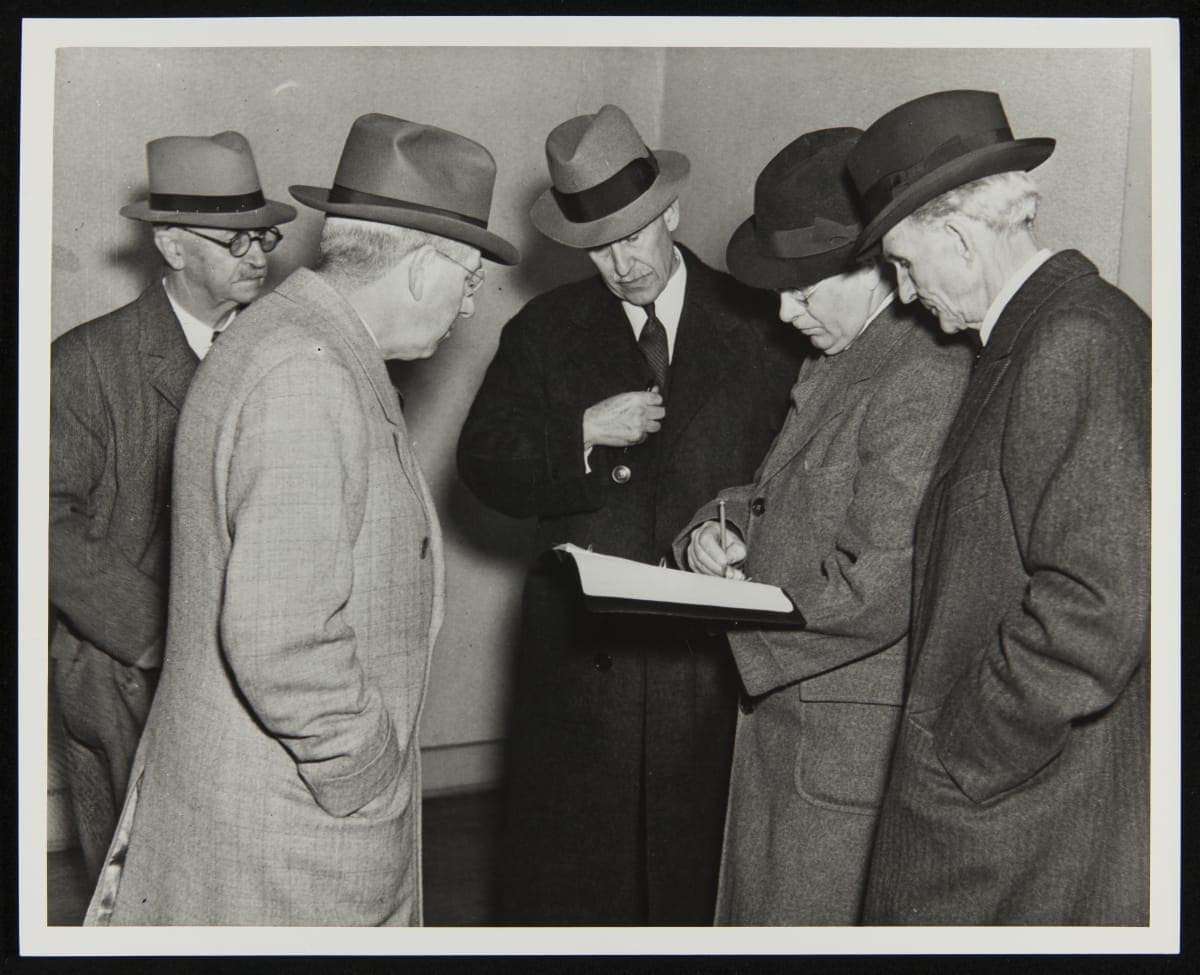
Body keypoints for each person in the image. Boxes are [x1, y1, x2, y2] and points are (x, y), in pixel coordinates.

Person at [84, 113, 519, 926]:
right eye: (469, 281)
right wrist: (367, 769)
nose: (467, 308)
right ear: (425, 266)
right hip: (288, 835)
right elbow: (280, 638)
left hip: (267, 813)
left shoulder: (291, 337)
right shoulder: (307, 375)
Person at [457, 104, 803, 924]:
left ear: (672, 213)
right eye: (598, 246)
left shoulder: (760, 323)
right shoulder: (544, 330)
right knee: (582, 889)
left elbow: (797, 467)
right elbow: (480, 462)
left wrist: (745, 536)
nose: (619, 262)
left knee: (695, 881)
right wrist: (575, 432)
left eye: (634, 235)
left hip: (709, 664)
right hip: (586, 665)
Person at [844, 89, 1150, 924]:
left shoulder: (1075, 339)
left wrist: (960, 752)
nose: (904, 295)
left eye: (905, 265)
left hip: (1016, 817)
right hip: (1010, 807)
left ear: (956, 236)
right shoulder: (1046, 333)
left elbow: (1097, 607)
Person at [673, 128, 972, 925]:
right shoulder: (844, 355)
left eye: (804, 291)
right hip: (795, 735)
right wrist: (714, 528)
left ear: (879, 267)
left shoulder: (921, 373)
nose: (783, 311)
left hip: (839, 758)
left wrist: (731, 622)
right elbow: (785, 491)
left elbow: (880, 581)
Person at [49, 131, 295, 886]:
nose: (258, 255)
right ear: (174, 246)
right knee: (139, 882)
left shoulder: (276, 350)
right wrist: (166, 633)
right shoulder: (85, 362)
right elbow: (44, 524)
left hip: (249, 663)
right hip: (127, 667)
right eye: (235, 240)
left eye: (265, 235)